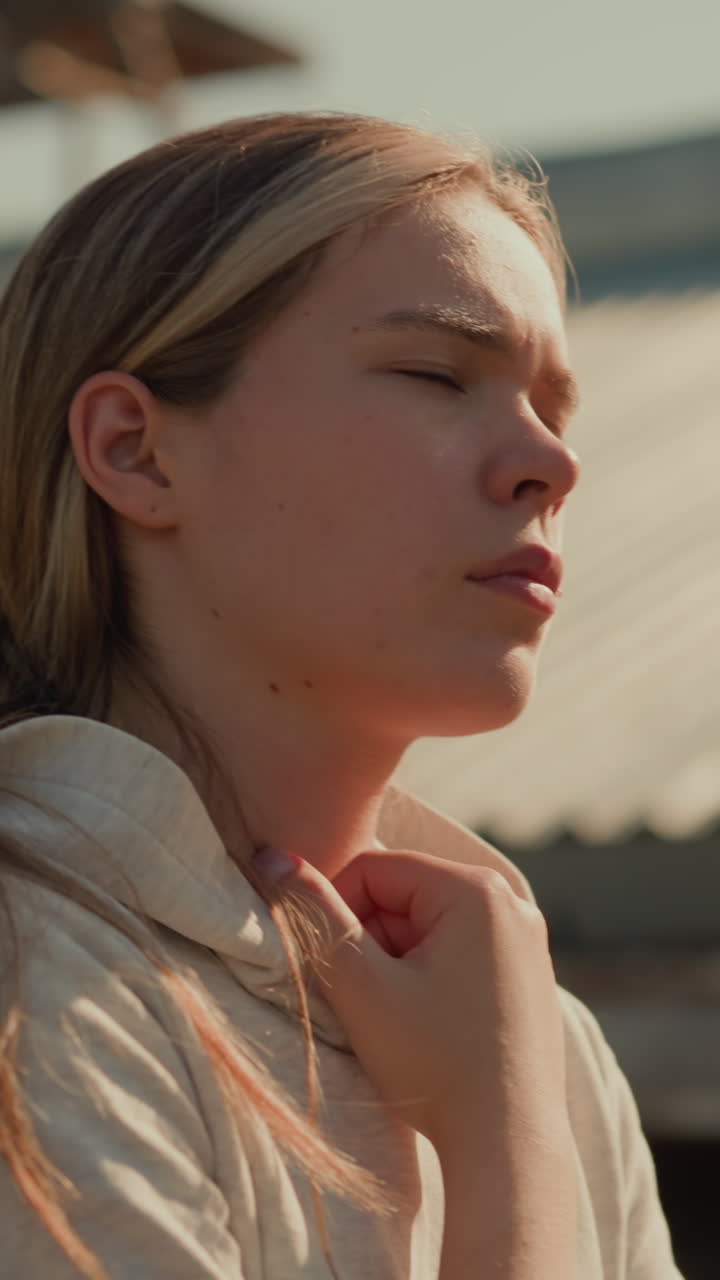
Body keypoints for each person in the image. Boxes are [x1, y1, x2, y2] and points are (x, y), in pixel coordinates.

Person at [0, 112, 680, 1280]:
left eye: (554, 407)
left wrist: (513, 1096)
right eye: (435, 372)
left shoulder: (535, 1033)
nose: (551, 464)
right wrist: (507, 1156)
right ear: (136, 450)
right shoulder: (32, 970)